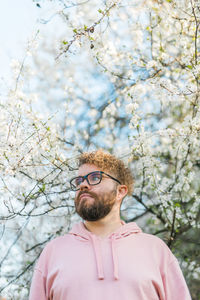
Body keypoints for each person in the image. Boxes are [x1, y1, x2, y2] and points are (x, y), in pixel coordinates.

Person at [29, 149, 191, 300]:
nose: (83, 185)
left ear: (120, 191)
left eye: (95, 177)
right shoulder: (53, 252)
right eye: (79, 180)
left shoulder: (156, 250)